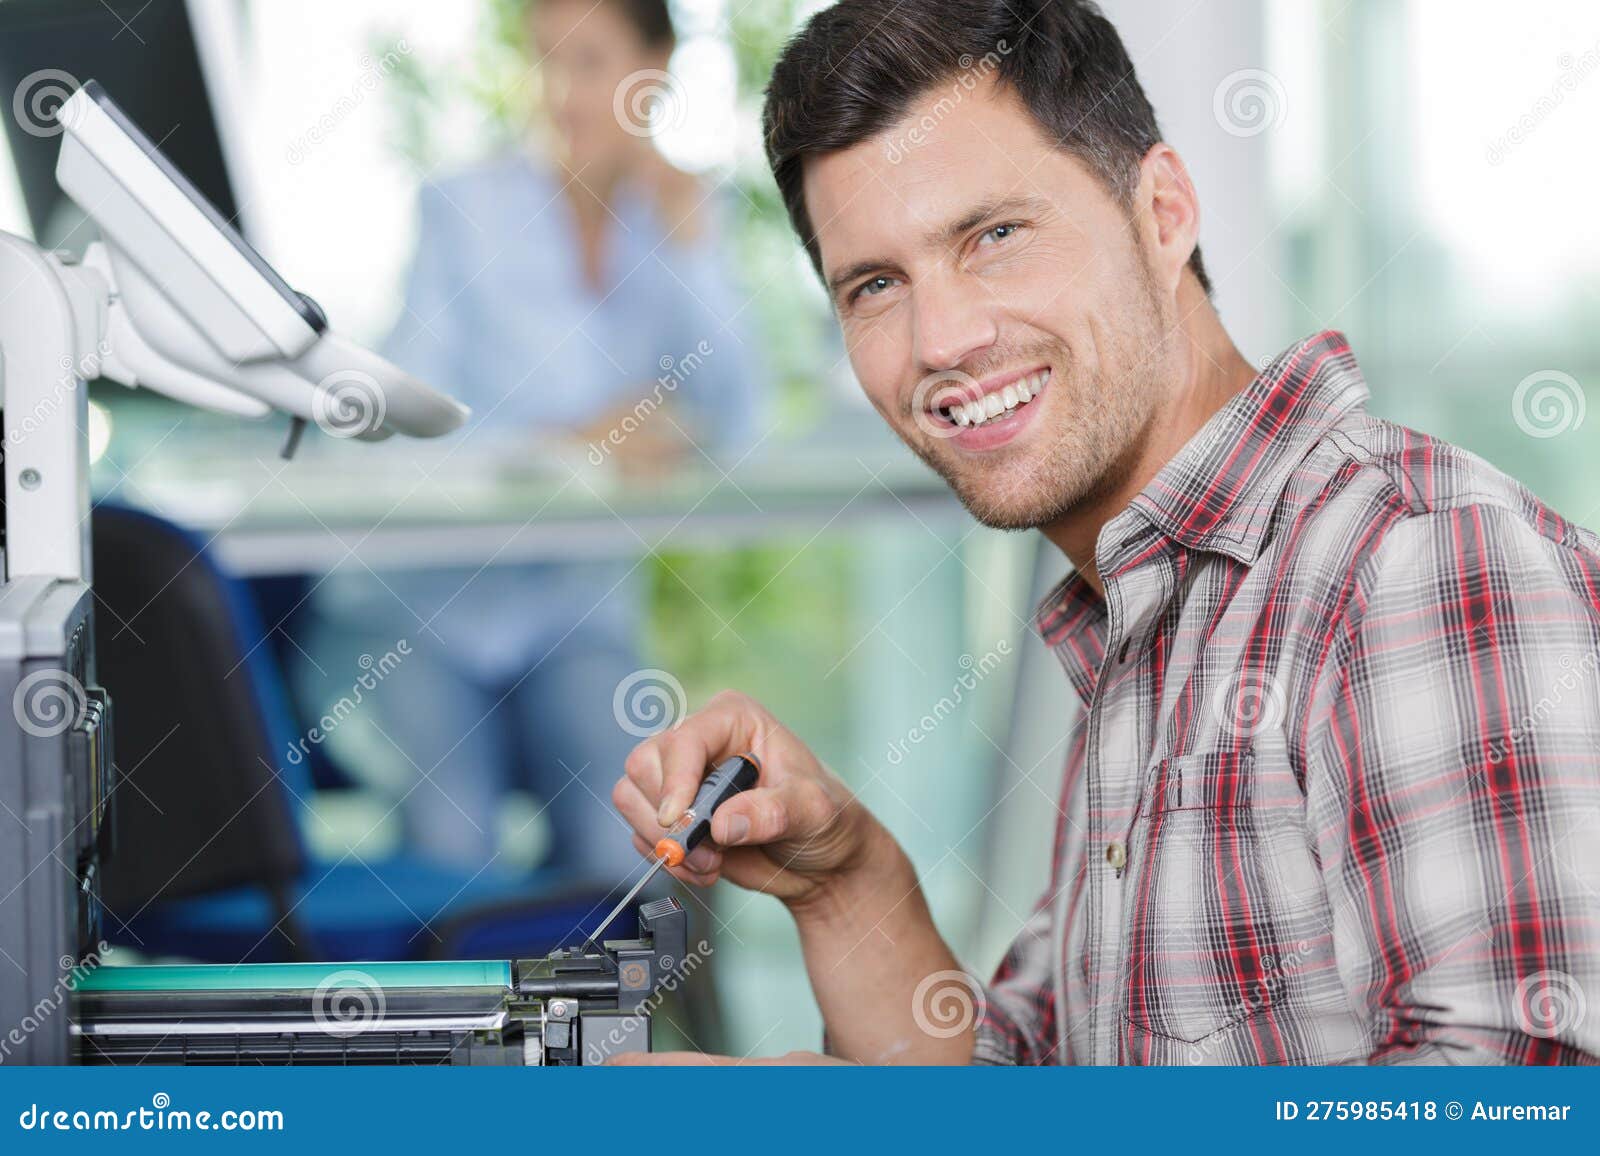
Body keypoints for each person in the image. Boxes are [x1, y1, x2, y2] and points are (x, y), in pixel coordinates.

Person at [608, 0, 1600, 1064]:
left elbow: (1516, 1111)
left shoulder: (1419, 563)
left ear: (1163, 212)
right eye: (877, 285)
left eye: (994, 235)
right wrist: (847, 880)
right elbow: (1023, 1100)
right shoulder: (1149, 618)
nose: (942, 339)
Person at [304, 0, 760, 880]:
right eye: (545, 61)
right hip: (424, 613)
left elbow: (736, 422)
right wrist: (576, 444)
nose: (561, 93)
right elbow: (402, 431)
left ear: (655, 68)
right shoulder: (462, 209)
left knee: (632, 840)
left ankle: (582, 979)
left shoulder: (681, 217)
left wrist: (694, 246)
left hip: (572, 611)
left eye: (588, 62)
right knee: (454, 839)